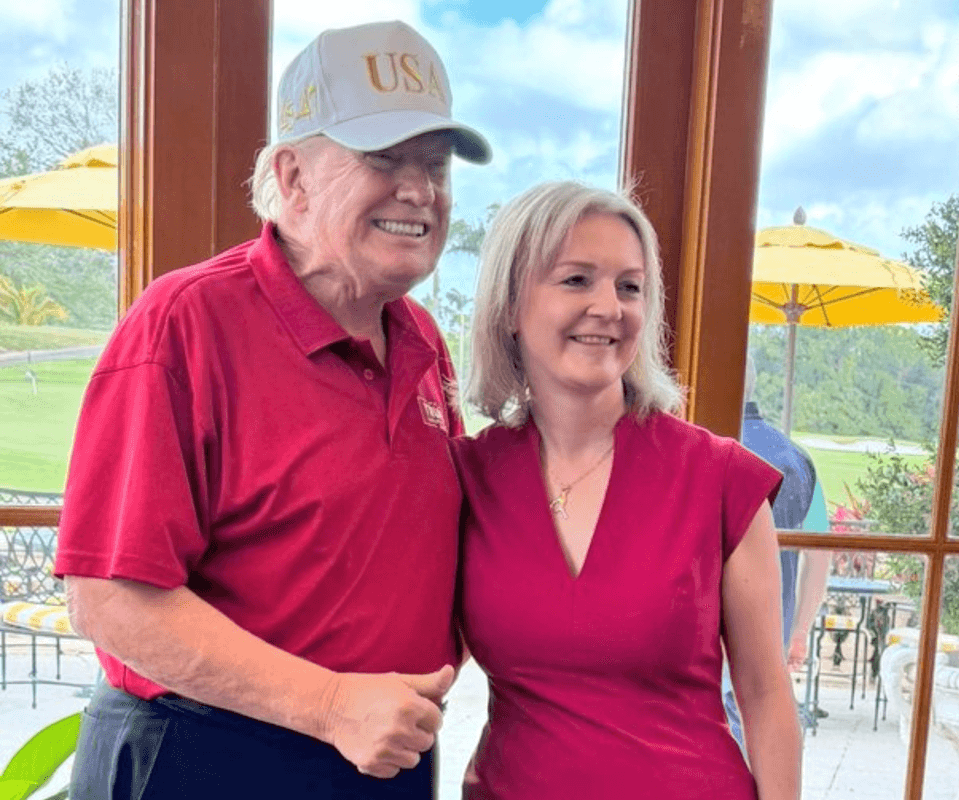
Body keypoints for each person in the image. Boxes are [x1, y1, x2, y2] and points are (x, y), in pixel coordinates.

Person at [53, 20, 490, 800]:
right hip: (205, 755)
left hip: (379, 759)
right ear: (292, 177)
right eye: (384, 158)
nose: (420, 190)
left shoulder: (422, 338)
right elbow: (110, 598)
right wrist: (329, 706)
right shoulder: (184, 323)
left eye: (435, 163)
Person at [452, 181, 800, 799]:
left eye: (629, 286)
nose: (610, 306)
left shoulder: (721, 479)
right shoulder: (468, 478)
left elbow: (768, 700)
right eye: (576, 279)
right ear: (509, 305)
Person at [724, 356, 833, 741]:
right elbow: (821, 554)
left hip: (704, 646)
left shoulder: (696, 447)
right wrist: (799, 629)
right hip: (772, 633)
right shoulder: (799, 459)